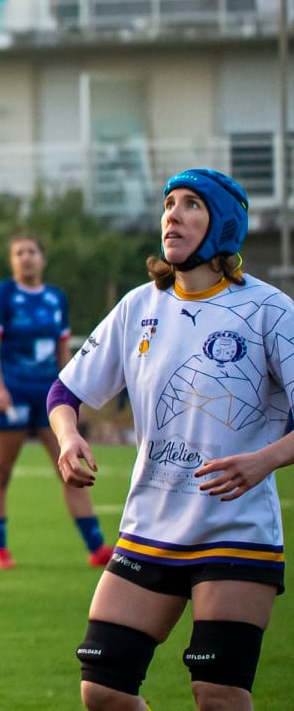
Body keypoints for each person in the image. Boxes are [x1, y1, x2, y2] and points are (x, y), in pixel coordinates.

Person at [50, 169, 294, 710]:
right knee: (104, 690)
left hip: (235, 530)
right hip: (149, 529)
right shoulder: (140, 306)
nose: (173, 215)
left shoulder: (269, 310)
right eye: (168, 204)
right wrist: (68, 440)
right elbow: (64, 393)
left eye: (191, 205)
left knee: (218, 693)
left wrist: (263, 462)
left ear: (223, 225)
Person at [0, 233, 112, 571]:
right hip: (12, 392)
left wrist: (73, 392)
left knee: (69, 469)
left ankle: (96, 547)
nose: (25, 258)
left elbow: (63, 353)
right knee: (0, 470)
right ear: (12, 261)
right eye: (18, 253)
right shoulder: (1, 295)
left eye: (31, 251)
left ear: (43, 258)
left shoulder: (56, 298)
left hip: (48, 395)